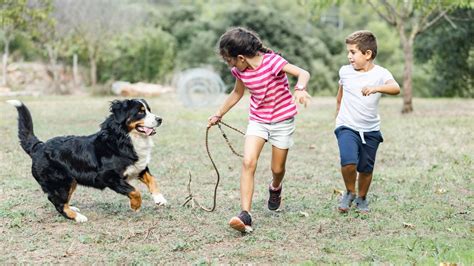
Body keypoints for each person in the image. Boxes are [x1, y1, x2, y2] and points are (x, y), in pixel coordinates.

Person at [208, 27, 311, 233]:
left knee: (277, 169)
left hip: (282, 121)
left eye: (230, 60)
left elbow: (303, 72)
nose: (230, 65)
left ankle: (275, 188)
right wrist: (219, 113)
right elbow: (237, 93)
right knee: (248, 162)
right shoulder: (239, 71)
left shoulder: (273, 62)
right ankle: (245, 214)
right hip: (258, 120)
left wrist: (299, 89)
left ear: (241, 57)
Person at [335, 30, 400, 213]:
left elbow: (396, 88)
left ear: (368, 54)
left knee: (365, 167)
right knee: (348, 161)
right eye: (348, 52)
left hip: (370, 129)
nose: (349, 56)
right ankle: (349, 191)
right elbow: (339, 96)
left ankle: (362, 197)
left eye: (353, 52)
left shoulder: (381, 73)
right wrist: (338, 117)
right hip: (346, 125)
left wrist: (376, 88)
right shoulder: (345, 72)